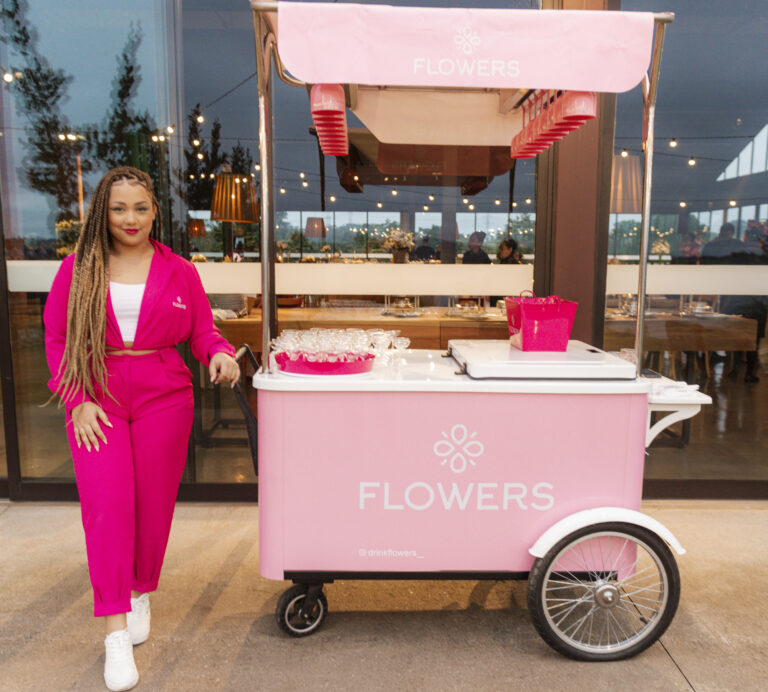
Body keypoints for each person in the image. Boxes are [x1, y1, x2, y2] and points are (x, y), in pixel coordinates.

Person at [44, 166, 239, 691]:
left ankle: (138, 589)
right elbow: (58, 339)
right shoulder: (78, 269)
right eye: (118, 208)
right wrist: (76, 399)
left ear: (156, 211)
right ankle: (113, 629)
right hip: (97, 392)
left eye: (140, 208)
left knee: (151, 506)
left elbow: (201, 330)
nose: (130, 218)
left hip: (163, 392)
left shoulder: (179, 270)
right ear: (102, 213)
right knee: (107, 508)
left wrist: (219, 354)